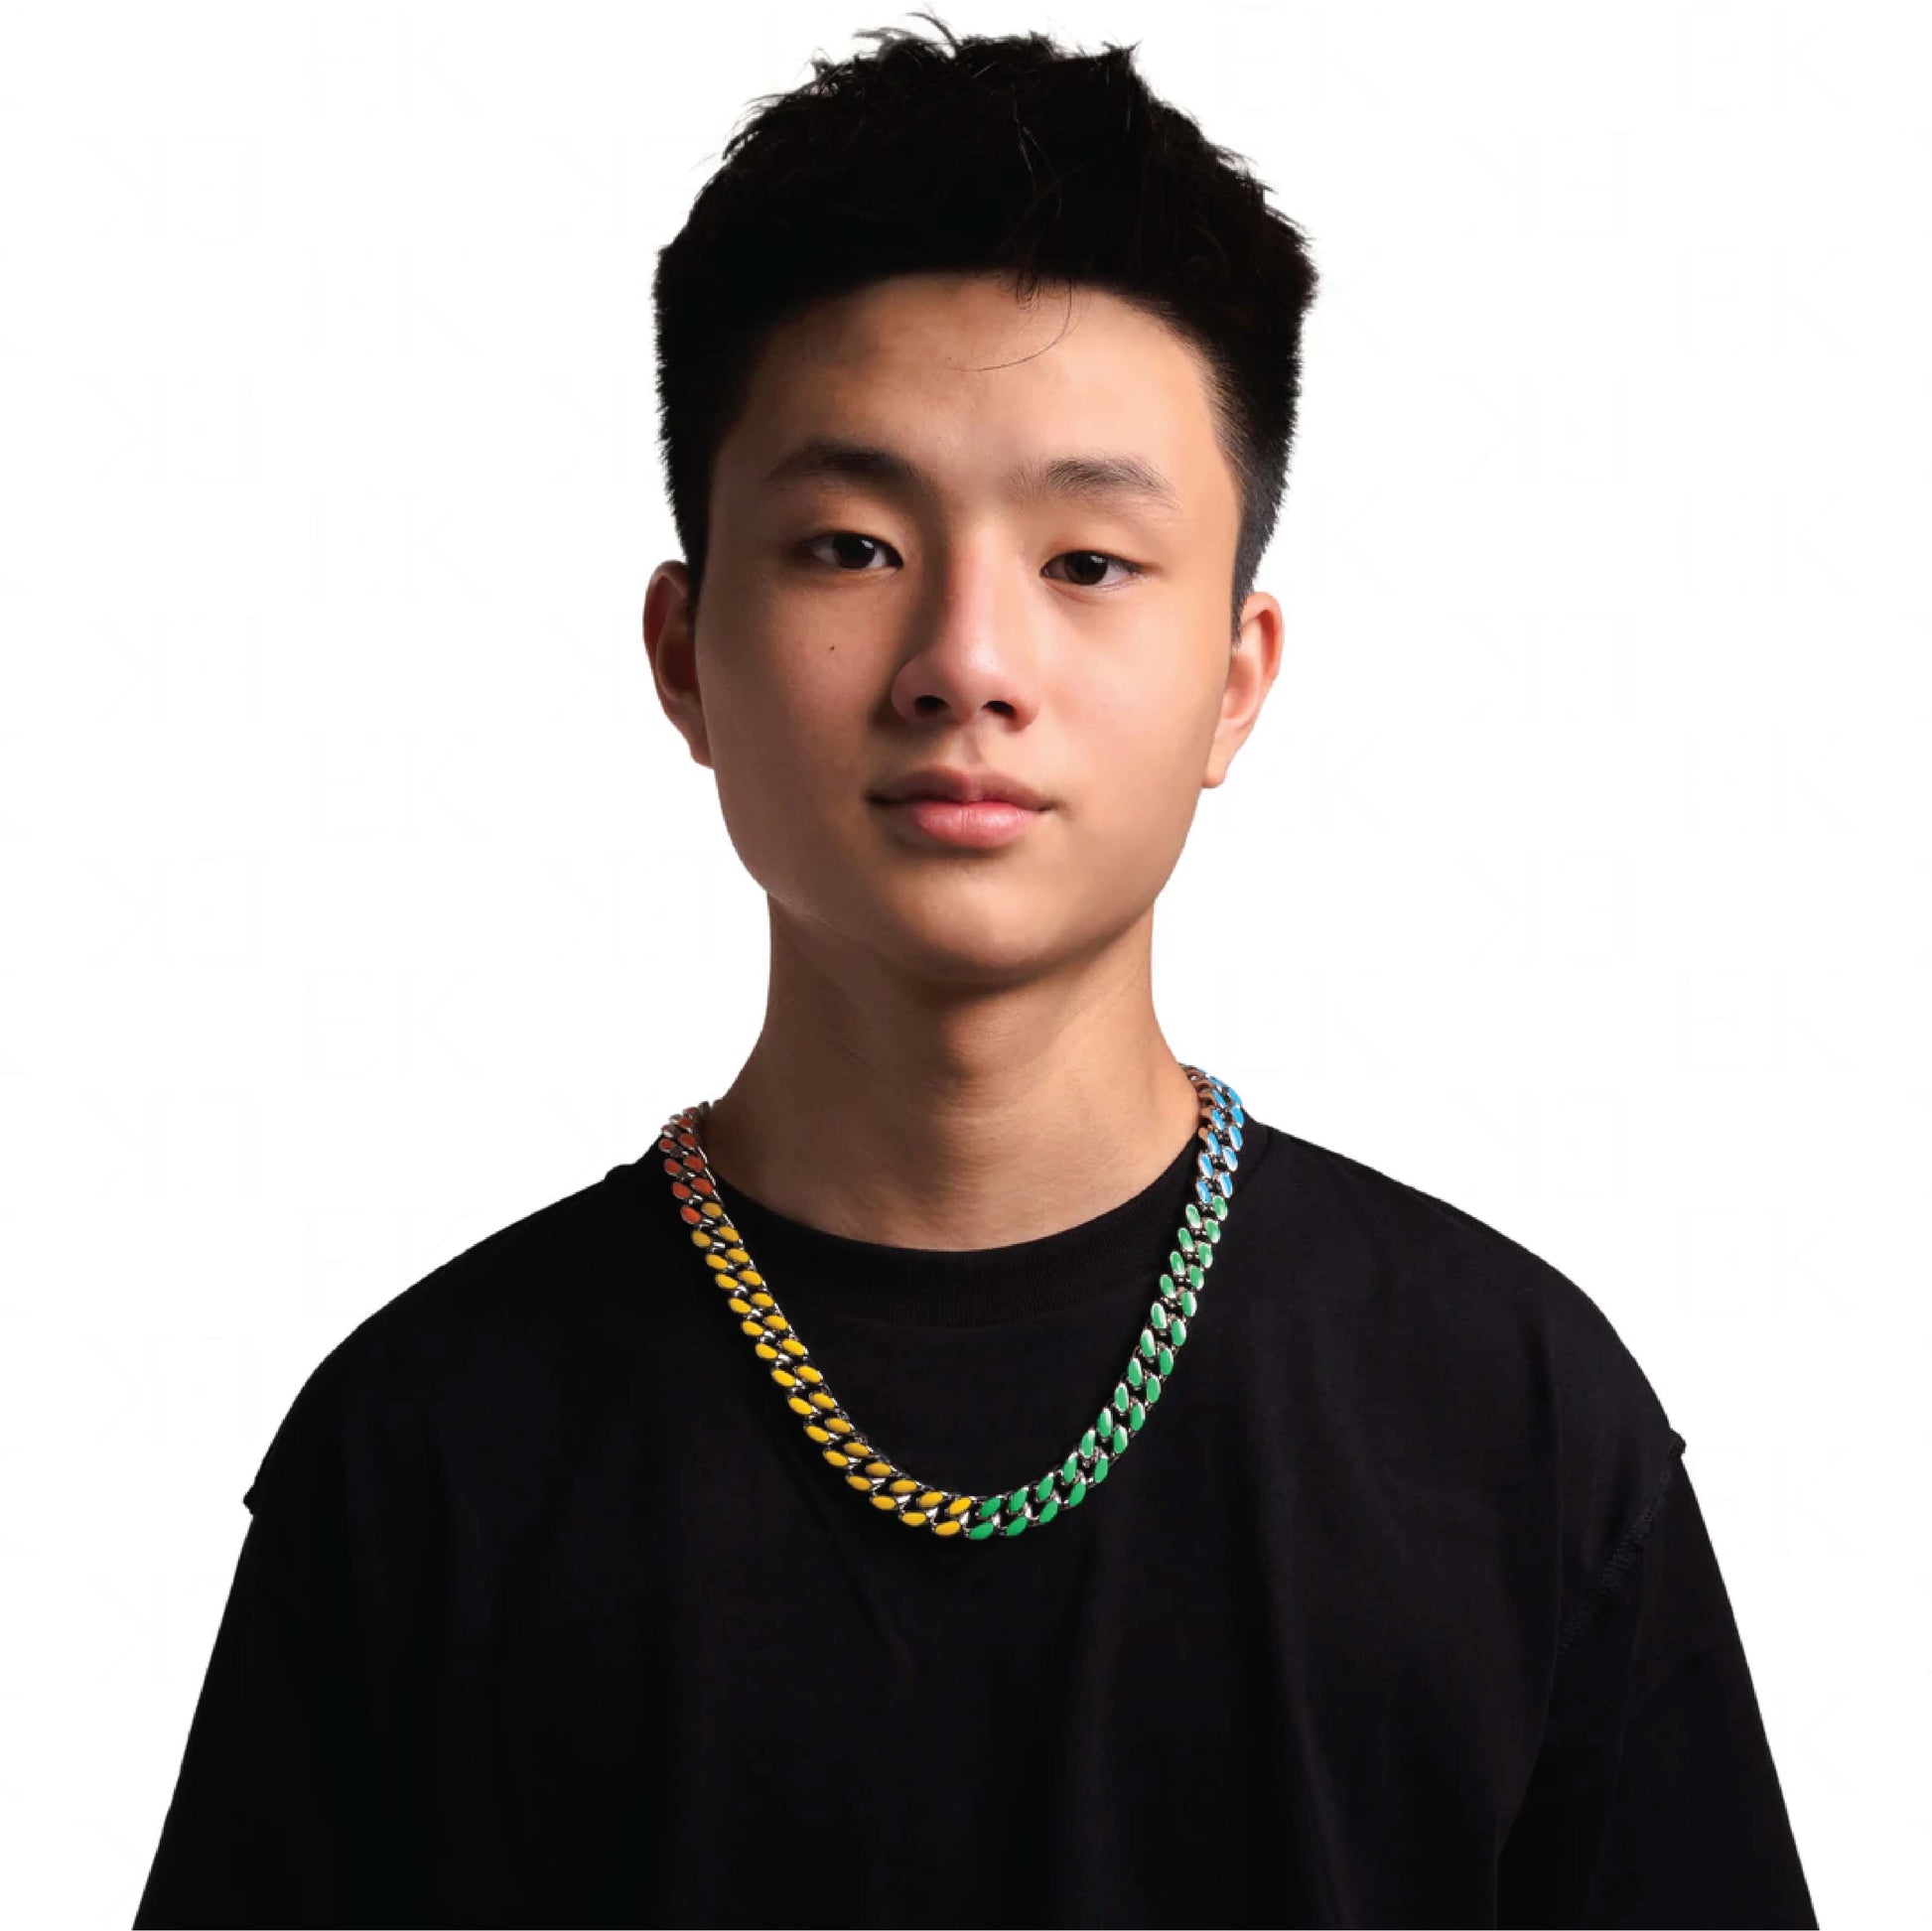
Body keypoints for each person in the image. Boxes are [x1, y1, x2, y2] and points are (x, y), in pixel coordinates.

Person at [133, 15, 1816, 1927]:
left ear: (1235, 679)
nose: (967, 662)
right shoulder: (426, 1453)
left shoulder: (1512, 1423)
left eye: (1087, 562)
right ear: (684, 656)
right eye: (852, 545)